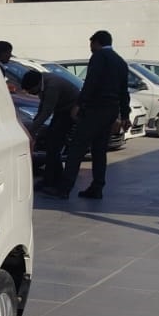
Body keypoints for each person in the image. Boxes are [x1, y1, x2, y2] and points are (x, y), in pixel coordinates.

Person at [45, 30, 129, 200]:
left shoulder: (99, 57)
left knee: (77, 148)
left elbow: (91, 82)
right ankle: (97, 187)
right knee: (99, 151)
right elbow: (124, 91)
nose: (90, 48)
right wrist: (125, 114)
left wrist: (79, 104)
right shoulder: (121, 62)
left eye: (91, 44)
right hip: (110, 111)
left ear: (96, 42)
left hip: (95, 109)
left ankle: (64, 188)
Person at [21, 70, 78, 190]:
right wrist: (35, 124)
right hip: (61, 110)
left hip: (70, 111)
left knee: (54, 143)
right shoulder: (43, 82)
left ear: (36, 85)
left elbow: (47, 111)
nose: (31, 93)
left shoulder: (52, 86)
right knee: (52, 143)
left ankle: (51, 180)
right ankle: (54, 177)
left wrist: (31, 130)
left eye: (30, 91)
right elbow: (42, 106)